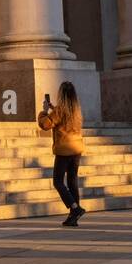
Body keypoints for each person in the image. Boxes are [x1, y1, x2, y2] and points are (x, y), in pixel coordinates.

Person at [38, 82, 86, 226]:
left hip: (64, 150)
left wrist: (45, 111)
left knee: (58, 181)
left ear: (61, 95)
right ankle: (74, 215)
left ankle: (75, 208)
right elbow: (63, 119)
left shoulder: (59, 111)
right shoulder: (76, 111)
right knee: (72, 182)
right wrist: (53, 109)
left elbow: (45, 124)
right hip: (76, 150)